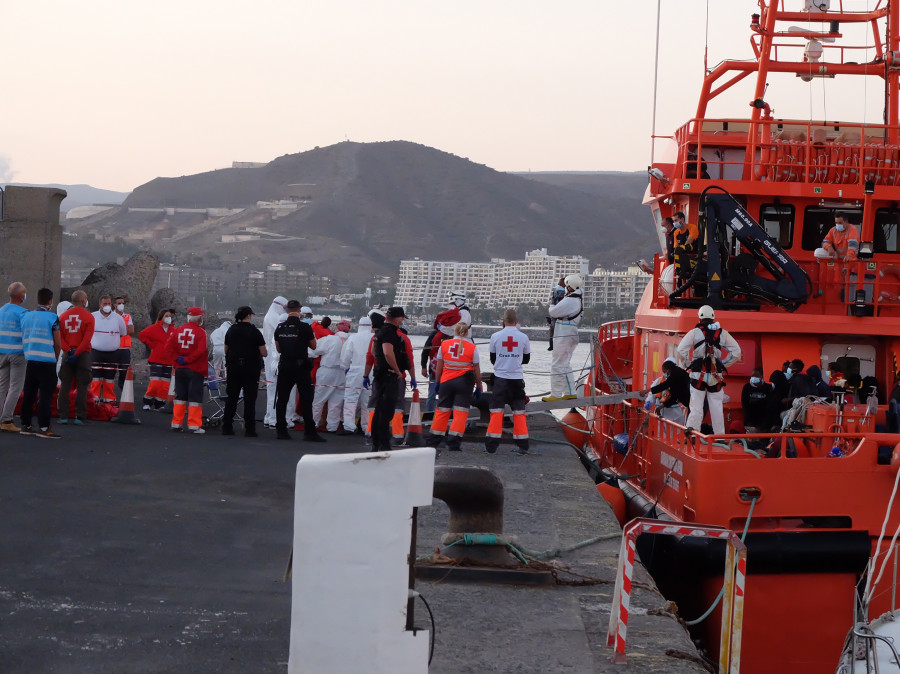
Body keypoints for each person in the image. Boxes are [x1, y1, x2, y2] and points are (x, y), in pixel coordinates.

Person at [677, 305, 742, 435]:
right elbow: (737, 352)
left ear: (699, 317)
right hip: (715, 376)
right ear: (713, 317)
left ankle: (692, 434)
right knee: (716, 408)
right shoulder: (722, 333)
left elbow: (681, 350)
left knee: (696, 408)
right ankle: (719, 436)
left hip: (697, 376)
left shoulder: (694, 333)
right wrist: (723, 364)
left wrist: (688, 364)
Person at [427, 322, 483, 452]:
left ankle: (434, 440)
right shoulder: (472, 347)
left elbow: (439, 365)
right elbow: (477, 369)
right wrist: (479, 386)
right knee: (460, 414)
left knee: (442, 411)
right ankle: (453, 443)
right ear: (467, 333)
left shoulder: (444, 344)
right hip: (464, 383)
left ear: (455, 332)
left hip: (446, 382)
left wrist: (437, 382)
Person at [273, 300, 324, 442]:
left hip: (284, 365)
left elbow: (278, 348)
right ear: (299, 310)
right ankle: (310, 432)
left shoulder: (280, 327)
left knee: (282, 399)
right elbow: (314, 346)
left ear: (287, 310)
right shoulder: (305, 327)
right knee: (307, 399)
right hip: (301, 366)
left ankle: (281, 430)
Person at [486, 309, 531, 455]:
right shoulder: (523, 337)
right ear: (516, 321)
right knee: (519, 413)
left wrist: (503, 362)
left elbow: (492, 358)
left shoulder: (495, 336)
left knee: (496, 412)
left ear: (503, 321)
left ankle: (491, 447)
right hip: (516, 380)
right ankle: (523, 446)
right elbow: (526, 359)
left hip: (500, 380)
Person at [18, 288, 61, 439]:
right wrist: (55, 358)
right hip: (47, 362)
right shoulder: (53, 318)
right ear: (50, 301)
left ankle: (26, 425)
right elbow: (57, 343)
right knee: (45, 396)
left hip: (30, 360)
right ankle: (44, 427)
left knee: (29, 394)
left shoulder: (26, 316)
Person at [370, 307, 411, 452]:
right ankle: (384, 443)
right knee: (386, 411)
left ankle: (376, 442)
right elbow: (388, 352)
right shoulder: (390, 333)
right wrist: (397, 370)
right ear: (397, 318)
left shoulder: (380, 331)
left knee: (378, 410)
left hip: (380, 374)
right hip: (389, 375)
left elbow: (373, 351)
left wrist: (380, 361)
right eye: (401, 318)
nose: (402, 321)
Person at [222, 306, 266, 437]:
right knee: (250, 400)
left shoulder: (231, 330)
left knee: (232, 398)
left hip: (234, 368)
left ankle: (227, 427)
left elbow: (226, 349)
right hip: (251, 369)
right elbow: (264, 352)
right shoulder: (255, 332)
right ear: (249, 316)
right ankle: (250, 429)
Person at [166, 306, 209, 434]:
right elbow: (201, 351)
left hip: (180, 369)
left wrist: (178, 360)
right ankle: (194, 425)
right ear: (199, 318)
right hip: (195, 369)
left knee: (179, 396)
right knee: (195, 397)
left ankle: (176, 423)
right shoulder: (201, 332)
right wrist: (188, 359)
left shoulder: (177, 330)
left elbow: (168, 348)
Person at [543, 273, 584, 401]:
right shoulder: (575, 298)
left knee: (557, 364)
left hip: (564, 332)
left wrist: (552, 303)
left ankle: (555, 394)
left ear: (569, 287)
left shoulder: (570, 300)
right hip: (568, 331)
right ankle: (570, 392)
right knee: (565, 364)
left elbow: (553, 312)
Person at [57, 290, 96, 425]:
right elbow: (87, 339)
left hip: (67, 354)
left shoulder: (62, 317)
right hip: (83, 354)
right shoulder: (89, 317)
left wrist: (68, 350)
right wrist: (78, 352)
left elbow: (60, 337)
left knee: (65, 385)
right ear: (83, 300)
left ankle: (63, 416)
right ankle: (80, 416)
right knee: (82, 386)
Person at [0, 282, 28, 433]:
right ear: (21, 296)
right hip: (18, 353)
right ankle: (6, 419)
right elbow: (27, 333)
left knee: (2, 386)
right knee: (15, 387)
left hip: (2, 352)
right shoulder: (23, 313)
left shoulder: (1, 310)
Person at [90, 295, 127, 404]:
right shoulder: (93, 316)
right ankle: (94, 398)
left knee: (110, 377)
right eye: (105, 304)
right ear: (99, 305)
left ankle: (109, 399)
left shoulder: (118, 318)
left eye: (109, 304)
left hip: (112, 353)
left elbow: (122, 333)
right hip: (96, 353)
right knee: (95, 377)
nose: (107, 306)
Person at [339, 316, 373, 435]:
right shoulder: (374, 338)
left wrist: (345, 367)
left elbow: (345, 355)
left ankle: (349, 426)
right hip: (371, 371)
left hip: (355, 370)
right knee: (367, 400)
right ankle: (367, 427)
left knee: (350, 399)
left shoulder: (353, 338)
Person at [309, 323, 346, 433]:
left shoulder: (330, 339)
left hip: (327, 370)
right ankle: (332, 426)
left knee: (319, 399)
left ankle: (313, 423)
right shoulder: (350, 339)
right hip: (342, 373)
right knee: (336, 402)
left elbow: (314, 350)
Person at [138, 309, 176, 410]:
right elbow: (142, 335)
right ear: (161, 317)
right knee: (155, 383)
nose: (168, 318)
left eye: (169, 316)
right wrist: (152, 345)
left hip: (169, 361)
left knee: (165, 385)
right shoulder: (154, 328)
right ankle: (148, 401)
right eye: (166, 316)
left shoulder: (173, 330)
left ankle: (160, 402)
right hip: (156, 359)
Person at [263, 296, 291, 429]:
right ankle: (273, 418)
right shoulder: (274, 318)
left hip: (270, 354)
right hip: (273, 356)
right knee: (274, 388)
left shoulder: (269, 316)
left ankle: (269, 417)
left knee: (272, 388)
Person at [647, 357, 691, 423]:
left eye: (665, 371)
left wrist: (646, 391)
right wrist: (649, 402)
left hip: (675, 411)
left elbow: (670, 391)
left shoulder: (677, 378)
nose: (666, 374)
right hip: (663, 413)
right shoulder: (659, 381)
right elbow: (653, 394)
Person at [113, 295, 135, 390]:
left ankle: (123, 393)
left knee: (124, 372)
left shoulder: (127, 316)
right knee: (110, 372)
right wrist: (124, 330)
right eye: (119, 303)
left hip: (124, 349)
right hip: (113, 348)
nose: (121, 305)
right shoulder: (110, 316)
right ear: (114, 305)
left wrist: (118, 330)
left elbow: (131, 330)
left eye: (123, 303)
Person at [672, 211, 700, 279]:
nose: (674, 223)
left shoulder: (692, 227)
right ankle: (680, 271)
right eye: (673, 221)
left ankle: (683, 271)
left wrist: (681, 249)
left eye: (676, 220)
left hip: (694, 256)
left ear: (682, 219)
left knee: (682, 249)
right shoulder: (676, 233)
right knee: (677, 251)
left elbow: (690, 240)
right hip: (683, 258)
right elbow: (676, 247)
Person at [420, 328, 440, 413]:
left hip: (446, 372)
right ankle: (429, 415)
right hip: (435, 369)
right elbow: (425, 350)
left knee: (442, 396)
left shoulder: (453, 335)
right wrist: (423, 366)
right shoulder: (435, 334)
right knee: (432, 395)